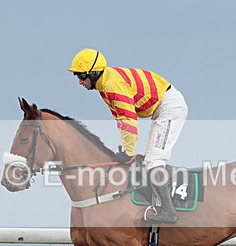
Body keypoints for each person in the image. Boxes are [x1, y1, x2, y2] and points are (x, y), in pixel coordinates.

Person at [67, 48, 188, 223]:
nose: (79, 81)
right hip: (161, 109)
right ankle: (157, 202)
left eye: (81, 76)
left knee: (154, 161)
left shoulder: (111, 85)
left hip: (169, 108)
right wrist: (125, 149)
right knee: (149, 161)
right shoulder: (104, 85)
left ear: (94, 73)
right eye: (77, 77)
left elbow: (129, 120)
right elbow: (120, 119)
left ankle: (169, 211)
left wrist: (128, 151)